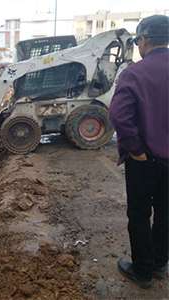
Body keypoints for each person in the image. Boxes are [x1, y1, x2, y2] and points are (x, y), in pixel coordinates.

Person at [109, 15, 169, 288]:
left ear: (144, 40)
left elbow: (120, 116)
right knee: (167, 213)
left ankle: (143, 271)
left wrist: (136, 150)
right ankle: (159, 262)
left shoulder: (134, 73)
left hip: (145, 160)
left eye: (137, 41)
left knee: (140, 214)